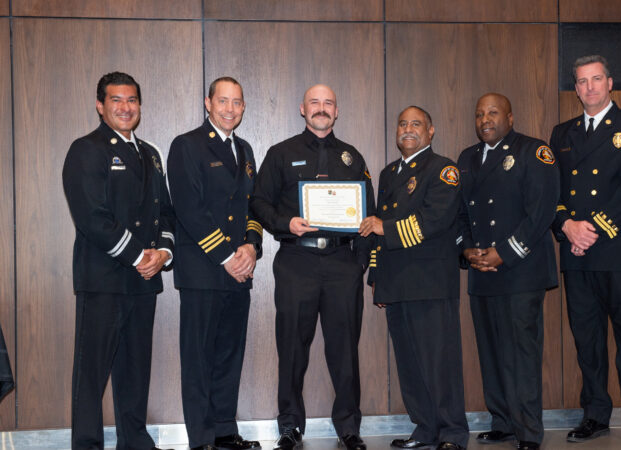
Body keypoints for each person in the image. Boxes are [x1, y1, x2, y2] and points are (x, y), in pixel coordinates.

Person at [251, 84, 374, 450]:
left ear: (337, 112)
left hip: (341, 262)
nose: (322, 108)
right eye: (315, 102)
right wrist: (284, 223)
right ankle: (289, 426)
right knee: (291, 347)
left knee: (345, 348)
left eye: (329, 103)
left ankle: (349, 427)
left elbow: (369, 212)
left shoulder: (353, 157)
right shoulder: (280, 153)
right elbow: (258, 202)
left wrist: (360, 263)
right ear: (302, 109)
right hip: (296, 261)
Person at [62, 71, 175, 450]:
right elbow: (92, 217)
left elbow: (166, 214)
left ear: (139, 106)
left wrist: (163, 253)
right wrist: (138, 254)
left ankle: (134, 442)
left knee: (135, 371)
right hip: (104, 280)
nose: (125, 107)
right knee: (92, 375)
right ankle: (88, 445)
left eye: (131, 100)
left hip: (144, 280)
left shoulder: (151, 154)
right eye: (116, 100)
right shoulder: (86, 149)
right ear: (100, 105)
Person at [549, 55, 621, 449]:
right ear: (575, 88)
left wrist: (590, 229)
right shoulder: (561, 134)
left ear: (610, 83)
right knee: (587, 340)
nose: (590, 87)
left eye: (596, 79)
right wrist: (566, 226)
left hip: (618, 250)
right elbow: (553, 193)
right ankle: (595, 415)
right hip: (577, 253)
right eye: (582, 81)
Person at [360, 106, 468, 450]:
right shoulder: (389, 173)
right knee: (409, 364)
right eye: (403, 124)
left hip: (430, 281)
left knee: (439, 362)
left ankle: (452, 433)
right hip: (396, 282)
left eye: (416, 124)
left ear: (431, 131)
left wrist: (383, 226)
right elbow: (378, 234)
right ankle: (425, 430)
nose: (408, 130)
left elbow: (433, 220)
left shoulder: (444, 169)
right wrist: (377, 275)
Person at [456, 93, 559, 450]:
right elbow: (461, 214)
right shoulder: (467, 159)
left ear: (511, 118)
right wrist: (467, 250)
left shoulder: (535, 151)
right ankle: (502, 421)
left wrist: (505, 253)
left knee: (522, 353)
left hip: (520, 270)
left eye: (493, 113)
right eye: (479, 113)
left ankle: (528, 431)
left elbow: (542, 212)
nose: (485, 119)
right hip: (482, 270)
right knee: (491, 351)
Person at [167, 77, 263, 450]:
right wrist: (227, 256)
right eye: (222, 101)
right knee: (199, 359)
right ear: (208, 103)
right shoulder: (187, 145)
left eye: (237, 102)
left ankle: (225, 431)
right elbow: (189, 210)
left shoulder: (247, 149)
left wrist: (252, 247)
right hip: (204, 270)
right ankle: (202, 438)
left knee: (229, 355)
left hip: (239, 271)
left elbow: (253, 207)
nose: (229, 109)